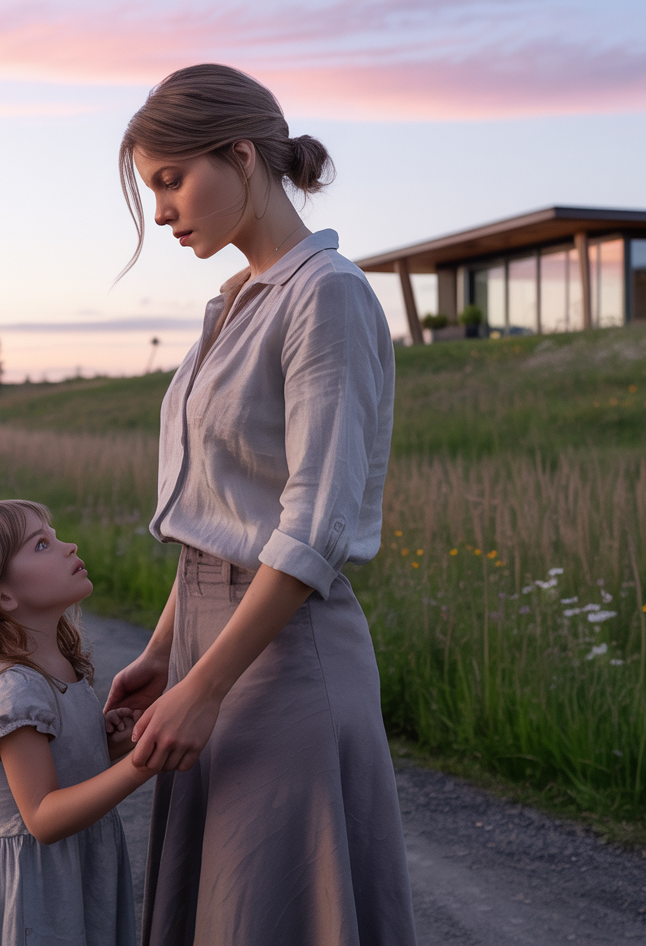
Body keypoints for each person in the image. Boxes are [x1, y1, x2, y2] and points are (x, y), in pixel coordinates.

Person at [107, 63, 417, 945]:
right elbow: (218, 511)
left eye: (171, 180)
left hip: (283, 661)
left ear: (242, 154)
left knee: (269, 913)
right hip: (213, 646)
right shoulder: (234, 303)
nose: (162, 210)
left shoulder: (329, 295)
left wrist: (206, 685)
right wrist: (169, 653)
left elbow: (312, 528)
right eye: (151, 188)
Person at [0, 499, 155, 946]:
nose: (69, 546)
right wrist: (143, 761)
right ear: (3, 596)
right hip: (27, 893)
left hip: (64, 874)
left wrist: (107, 744)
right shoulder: (13, 690)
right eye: (42, 544)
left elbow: (60, 768)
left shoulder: (57, 666)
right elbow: (43, 816)